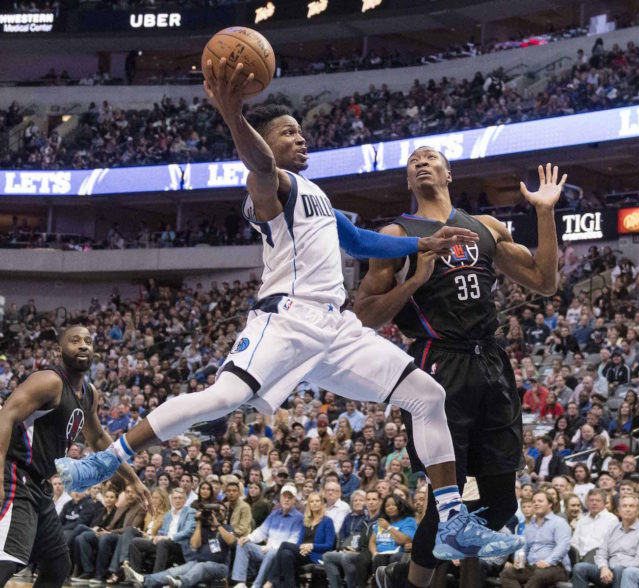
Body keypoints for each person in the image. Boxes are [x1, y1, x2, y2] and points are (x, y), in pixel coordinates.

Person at [56, 59, 523, 565]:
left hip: (336, 327)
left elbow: (361, 240)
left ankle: (452, 520)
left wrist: (424, 241)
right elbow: (257, 164)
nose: (301, 140)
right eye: (288, 134)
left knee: (427, 394)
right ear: (265, 142)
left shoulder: (319, 194)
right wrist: (234, 115)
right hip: (287, 321)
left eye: (301, 133)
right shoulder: (269, 187)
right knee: (223, 397)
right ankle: (106, 460)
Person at [354, 143, 562, 588]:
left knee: (502, 502)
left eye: (430, 158)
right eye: (413, 162)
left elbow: (545, 282)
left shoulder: (484, 226)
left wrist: (544, 213)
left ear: (449, 175)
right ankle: (414, 583)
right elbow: (365, 314)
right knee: (444, 500)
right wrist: (416, 279)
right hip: (437, 365)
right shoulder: (396, 234)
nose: (421, 162)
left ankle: (405, 576)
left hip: (490, 361)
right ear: (409, 181)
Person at [0, 324, 149, 587]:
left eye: (88, 341)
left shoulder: (89, 394)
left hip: (40, 487)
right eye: (74, 340)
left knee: (57, 565)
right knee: (7, 560)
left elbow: (100, 440)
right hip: (16, 477)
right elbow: (5, 416)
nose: (83, 345)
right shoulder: (49, 381)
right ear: (59, 350)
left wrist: (132, 479)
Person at [123, 502, 236, 588]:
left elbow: (231, 541)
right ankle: (144, 580)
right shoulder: (203, 528)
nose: (219, 513)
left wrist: (217, 525)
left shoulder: (227, 528)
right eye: (216, 511)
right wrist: (199, 522)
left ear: (226, 513)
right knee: (173, 571)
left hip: (220, 566)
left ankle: (181, 583)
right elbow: (194, 545)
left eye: (221, 511)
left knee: (201, 566)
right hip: (198, 563)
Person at [572, 494, 639, 588]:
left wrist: (615, 567)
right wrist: (604, 567)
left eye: (631, 506)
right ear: (619, 511)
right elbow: (601, 554)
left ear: (638, 511)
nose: (627, 509)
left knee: (619, 570)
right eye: (624, 506)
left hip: (629, 573)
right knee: (580, 568)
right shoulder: (613, 528)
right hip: (608, 571)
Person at [230, 483, 303, 588]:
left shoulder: (298, 518)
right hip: (266, 549)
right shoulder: (274, 514)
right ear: (280, 498)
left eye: (289, 497)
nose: (286, 500)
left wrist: (271, 548)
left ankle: (256, 585)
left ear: (294, 501)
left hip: (278, 553)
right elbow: (262, 531)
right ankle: (240, 582)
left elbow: (293, 541)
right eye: (284, 497)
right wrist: (249, 538)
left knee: (272, 553)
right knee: (242, 544)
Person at [500, 490, 572, 588]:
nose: (536, 504)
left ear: (550, 504)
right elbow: (523, 546)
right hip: (532, 566)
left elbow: (563, 546)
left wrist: (547, 562)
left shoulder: (559, 522)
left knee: (538, 575)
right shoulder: (529, 526)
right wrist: (518, 560)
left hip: (556, 567)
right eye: (534, 502)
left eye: (540, 501)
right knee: (507, 574)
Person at [264, 491, 335, 588]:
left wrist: (311, 546)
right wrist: (303, 549)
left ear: (322, 504)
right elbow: (299, 542)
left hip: (316, 556)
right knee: (286, 554)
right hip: (303, 553)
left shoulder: (327, 521)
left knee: (285, 544)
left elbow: (329, 545)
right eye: (312, 501)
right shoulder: (306, 521)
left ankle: (270, 581)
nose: (314, 503)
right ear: (309, 505)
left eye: (317, 501)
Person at [128, 488, 196, 574]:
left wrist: (169, 537)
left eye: (180, 498)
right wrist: (156, 537)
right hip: (164, 543)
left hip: (179, 545)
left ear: (185, 500)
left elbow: (188, 531)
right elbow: (162, 531)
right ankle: (135, 574)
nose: (177, 500)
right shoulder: (168, 515)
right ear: (171, 500)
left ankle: (155, 577)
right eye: (175, 498)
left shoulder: (190, 512)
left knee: (163, 542)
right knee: (135, 542)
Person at [323, 489, 374, 588]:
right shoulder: (348, 517)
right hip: (345, 548)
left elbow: (367, 538)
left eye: (361, 500)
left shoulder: (367, 517)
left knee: (346, 557)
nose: (358, 502)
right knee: (327, 556)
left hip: (360, 550)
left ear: (366, 503)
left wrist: (355, 549)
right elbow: (342, 535)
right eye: (355, 500)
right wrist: (343, 547)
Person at [369, 494, 418, 574]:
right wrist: (374, 553)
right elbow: (372, 542)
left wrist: (389, 527)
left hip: (397, 553)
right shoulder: (382, 521)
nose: (390, 507)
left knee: (393, 559)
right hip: (380, 554)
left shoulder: (408, 521)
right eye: (387, 506)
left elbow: (406, 540)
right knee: (378, 558)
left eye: (394, 505)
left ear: (400, 506)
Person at [572, 489, 619, 560]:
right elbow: (574, 542)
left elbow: (611, 545)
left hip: (598, 558)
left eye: (597, 500)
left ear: (604, 503)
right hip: (579, 557)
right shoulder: (582, 520)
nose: (594, 503)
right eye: (591, 500)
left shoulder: (611, 519)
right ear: (587, 503)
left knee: (581, 567)